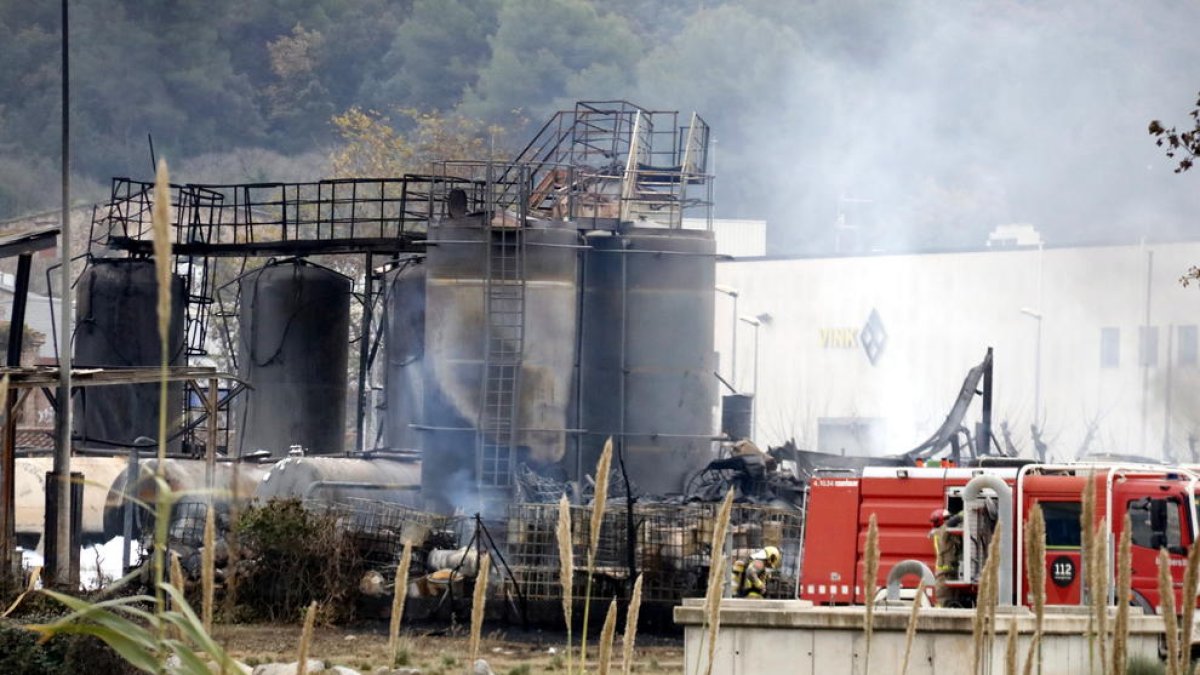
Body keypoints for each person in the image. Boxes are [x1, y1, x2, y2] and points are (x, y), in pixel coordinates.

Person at [929, 508, 963, 607]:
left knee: (952, 602)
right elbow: (954, 521)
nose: (949, 519)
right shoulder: (941, 532)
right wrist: (966, 511)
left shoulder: (939, 532)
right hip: (944, 574)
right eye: (947, 518)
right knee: (943, 602)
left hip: (949, 573)